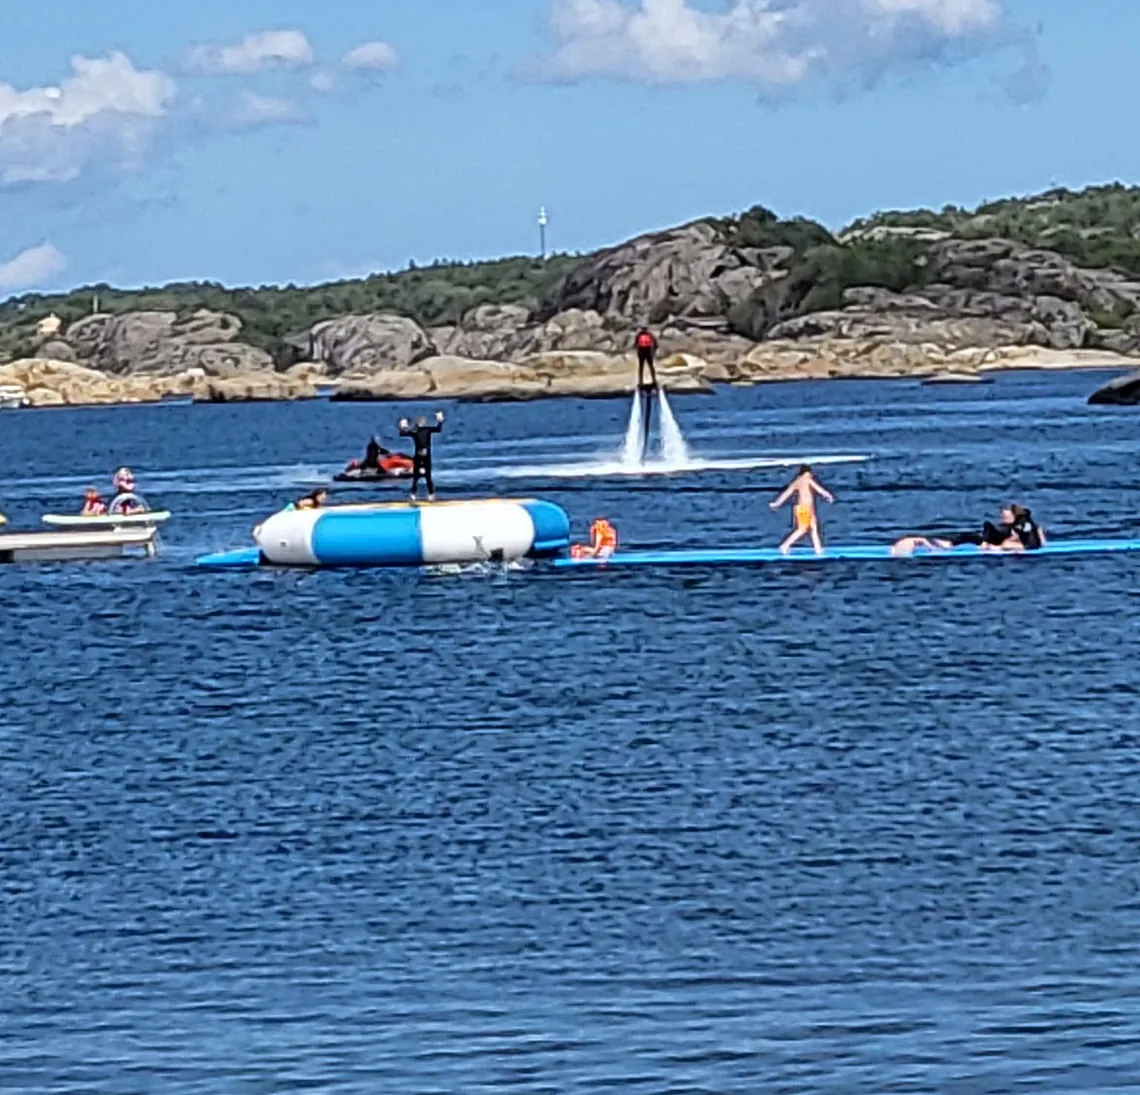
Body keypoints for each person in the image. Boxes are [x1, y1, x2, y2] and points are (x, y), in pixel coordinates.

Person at [770, 465, 835, 555]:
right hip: (804, 509)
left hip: (808, 509)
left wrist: (777, 503)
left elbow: (786, 493)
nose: (811, 475)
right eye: (810, 473)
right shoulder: (807, 480)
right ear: (806, 473)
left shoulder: (797, 482)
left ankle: (818, 549)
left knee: (813, 528)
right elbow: (819, 490)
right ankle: (784, 546)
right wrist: (829, 496)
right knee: (802, 529)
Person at [399, 410, 445, 501]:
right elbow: (402, 434)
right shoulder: (417, 431)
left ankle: (429, 495)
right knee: (418, 477)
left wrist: (440, 420)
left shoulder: (423, 430)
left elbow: (438, 429)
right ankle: (416, 495)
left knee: (425, 477)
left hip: (424, 456)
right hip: (420, 456)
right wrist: (403, 427)